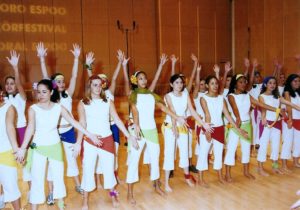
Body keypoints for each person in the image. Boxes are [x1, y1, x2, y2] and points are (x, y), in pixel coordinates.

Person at [16, 79, 99, 210]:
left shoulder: (59, 107)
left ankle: (61, 206)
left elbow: (74, 122)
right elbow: (30, 128)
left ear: (51, 92)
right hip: (38, 148)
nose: (41, 95)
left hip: (55, 147)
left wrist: (90, 134)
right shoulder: (33, 109)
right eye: (39, 92)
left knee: (58, 178)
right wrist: (22, 148)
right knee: (37, 180)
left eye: (44, 92)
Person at [72, 75, 137, 209]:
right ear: (89, 86)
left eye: (99, 84)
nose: (97, 87)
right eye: (94, 84)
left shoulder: (108, 102)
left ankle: (113, 195)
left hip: (107, 140)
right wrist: (78, 143)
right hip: (90, 141)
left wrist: (128, 135)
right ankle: (85, 200)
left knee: (109, 170)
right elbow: (82, 123)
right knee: (88, 171)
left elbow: (117, 120)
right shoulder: (83, 103)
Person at [126, 70, 186, 205]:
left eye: (145, 78)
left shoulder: (151, 95)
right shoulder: (133, 95)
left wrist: (177, 117)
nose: (143, 81)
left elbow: (164, 108)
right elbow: (134, 111)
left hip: (152, 131)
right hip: (138, 131)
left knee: (154, 159)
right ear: (135, 81)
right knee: (134, 161)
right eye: (140, 78)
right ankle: (129, 193)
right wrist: (136, 124)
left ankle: (157, 186)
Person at [36, 42, 84, 203]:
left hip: (69, 131)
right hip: (55, 133)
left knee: (72, 159)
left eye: (63, 81)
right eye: (58, 81)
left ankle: (78, 185)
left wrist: (76, 59)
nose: (62, 83)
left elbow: (75, 76)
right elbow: (45, 77)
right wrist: (42, 59)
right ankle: (51, 193)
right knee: (52, 164)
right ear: (53, 84)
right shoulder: (52, 97)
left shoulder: (68, 94)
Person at [224, 73, 284, 181]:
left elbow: (260, 104)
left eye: (245, 82)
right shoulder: (231, 96)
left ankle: (246, 172)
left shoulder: (247, 95)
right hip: (235, 126)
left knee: (246, 149)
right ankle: (227, 174)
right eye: (240, 82)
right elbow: (234, 108)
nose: (243, 84)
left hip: (247, 125)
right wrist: (237, 118)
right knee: (231, 149)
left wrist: (275, 109)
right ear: (235, 83)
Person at [85, 50, 129, 186]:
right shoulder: (92, 95)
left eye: (104, 80)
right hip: (98, 127)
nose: (101, 82)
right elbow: (91, 78)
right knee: (95, 156)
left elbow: (115, 78)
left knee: (112, 154)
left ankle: (113, 177)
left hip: (112, 126)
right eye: (99, 80)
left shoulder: (109, 93)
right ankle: (98, 179)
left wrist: (119, 63)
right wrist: (88, 66)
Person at [163, 73, 212, 192]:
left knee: (185, 152)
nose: (179, 85)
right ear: (171, 84)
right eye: (176, 83)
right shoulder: (168, 96)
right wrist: (174, 126)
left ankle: (187, 177)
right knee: (170, 153)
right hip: (170, 126)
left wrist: (203, 123)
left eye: (181, 82)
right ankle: (165, 182)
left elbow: (193, 112)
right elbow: (171, 110)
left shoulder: (185, 95)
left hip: (183, 126)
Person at [196, 75, 248, 186]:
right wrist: (207, 131)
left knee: (219, 154)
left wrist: (238, 129)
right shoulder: (203, 98)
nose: (215, 86)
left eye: (216, 83)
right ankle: (200, 179)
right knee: (203, 153)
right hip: (208, 128)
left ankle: (220, 177)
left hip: (220, 129)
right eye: (212, 83)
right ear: (207, 85)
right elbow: (207, 115)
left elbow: (228, 116)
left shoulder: (221, 98)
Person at [257, 76, 300, 176]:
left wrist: (297, 107)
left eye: (274, 83)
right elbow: (263, 107)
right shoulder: (261, 96)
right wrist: (263, 117)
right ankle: (260, 168)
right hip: (266, 124)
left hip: (277, 124)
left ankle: (274, 167)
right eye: (270, 83)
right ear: (265, 84)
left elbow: (289, 103)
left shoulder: (277, 97)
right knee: (263, 146)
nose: (272, 85)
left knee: (276, 147)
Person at [0, 85, 23, 210]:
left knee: (11, 187)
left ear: (1, 92)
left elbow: (10, 128)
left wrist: (16, 150)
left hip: (5, 153)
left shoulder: (9, 108)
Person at [281, 74, 300, 171]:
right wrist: (290, 119)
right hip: (289, 120)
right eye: (295, 81)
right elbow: (288, 107)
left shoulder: (298, 93)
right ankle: (284, 164)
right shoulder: (287, 92)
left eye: (298, 81)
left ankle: (296, 161)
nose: (297, 83)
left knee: (298, 142)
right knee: (288, 142)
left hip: (299, 121)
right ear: (290, 82)